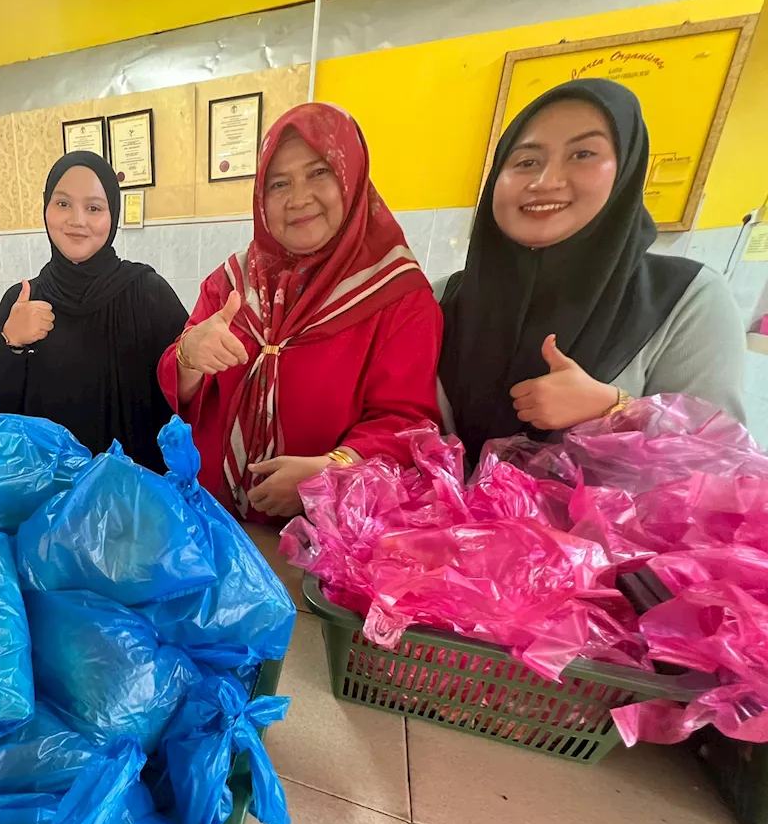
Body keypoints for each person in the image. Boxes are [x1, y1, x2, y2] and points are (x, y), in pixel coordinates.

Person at [158, 103, 443, 521]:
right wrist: (188, 356)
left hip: (321, 535)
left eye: (318, 173)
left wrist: (332, 472)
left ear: (351, 180)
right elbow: (179, 383)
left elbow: (408, 422)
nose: (298, 198)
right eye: (278, 184)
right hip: (214, 521)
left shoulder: (396, 294)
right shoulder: (231, 282)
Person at [438, 78, 746, 463]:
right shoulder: (442, 299)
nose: (545, 181)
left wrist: (615, 410)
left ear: (626, 172)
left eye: (582, 154)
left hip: (602, 526)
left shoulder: (685, 299)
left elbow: (721, 467)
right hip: (433, 522)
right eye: (526, 161)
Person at [0, 152, 188, 471]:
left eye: (94, 208)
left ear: (113, 216)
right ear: (46, 209)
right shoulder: (21, 300)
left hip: (131, 495)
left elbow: (182, 398)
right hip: (46, 494)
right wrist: (12, 343)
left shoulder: (148, 293)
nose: (77, 220)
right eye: (62, 204)